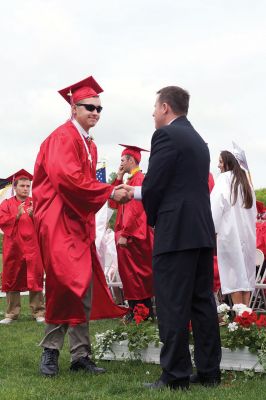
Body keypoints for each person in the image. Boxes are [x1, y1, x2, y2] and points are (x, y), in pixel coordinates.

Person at [116, 86, 221, 390]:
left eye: (154, 107)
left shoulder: (165, 136)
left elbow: (157, 185)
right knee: (202, 303)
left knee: (172, 303)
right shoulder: (198, 141)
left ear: (164, 107)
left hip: (176, 231)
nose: (152, 113)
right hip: (200, 230)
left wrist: (131, 194)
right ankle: (208, 371)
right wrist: (138, 192)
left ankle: (174, 375)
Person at [32, 75, 129, 377]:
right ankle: (50, 352)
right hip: (59, 221)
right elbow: (68, 180)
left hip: (78, 222)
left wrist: (107, 191)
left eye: (100, 109)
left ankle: (80, 355)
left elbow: (84, 184)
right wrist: (108, 192)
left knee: (82, 286)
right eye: (89, 107)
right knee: (64, 284)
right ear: (74, 108)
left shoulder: (89, 144)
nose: (96, 113)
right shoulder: (63, 138)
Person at [109, 144, 154, 319]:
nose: (120, 164)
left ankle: (142, 311)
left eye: (122, 160)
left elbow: (136, 212)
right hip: (126, 235)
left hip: (135, 236)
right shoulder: (129, 181)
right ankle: (136, 309)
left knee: (138, 276)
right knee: (130, 275)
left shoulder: (140, 180)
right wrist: (119, 178)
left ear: (130, 160)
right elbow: (113, 203)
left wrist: (126, 234)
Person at [210, 150, 256, 306]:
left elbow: (216, 208)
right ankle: (246, 319)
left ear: (228, 163)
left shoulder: (223, 179)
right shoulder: (246, 181)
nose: (218, 165)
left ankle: (239, 322)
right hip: (248, 235)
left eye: (221, 162)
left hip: (229, 234)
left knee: (234, 276)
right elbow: (253, 211)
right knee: (246, 277)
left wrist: (212, 230)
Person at [0, 170, 45, 324]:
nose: (26, 188)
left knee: (35, 277)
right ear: (15, 186)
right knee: (12, 278)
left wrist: (34, 216)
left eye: (28, 186)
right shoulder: (6, 204)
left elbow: (45, 224)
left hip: (33, 247)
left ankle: (38, 312)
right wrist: (17, 215)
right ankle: (11, 314)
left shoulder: (36, 203)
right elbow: (2, 222)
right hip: (13, 248)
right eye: (22, 186)